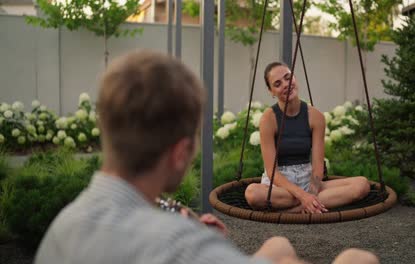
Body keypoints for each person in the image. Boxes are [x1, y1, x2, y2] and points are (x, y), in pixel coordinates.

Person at [34, 51, 378, 264]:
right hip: (280, 187)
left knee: (277, 242)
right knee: (355, 258)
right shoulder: (181, 246)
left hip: (305, 186)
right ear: (181, 151)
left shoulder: (61, 228)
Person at [245, 62, 371, 214]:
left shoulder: (315, 117)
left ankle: (292, 211)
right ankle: (308, 204)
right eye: (277, 84)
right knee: (252, 193)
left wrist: (310, 193)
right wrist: (302, 196)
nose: (286, 84)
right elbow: (272, 173)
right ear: (271, 91)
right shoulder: (268, 119)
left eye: (288, 78)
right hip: (279, 187)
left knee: (361, 185)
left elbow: (318, 167)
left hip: (309, 182)